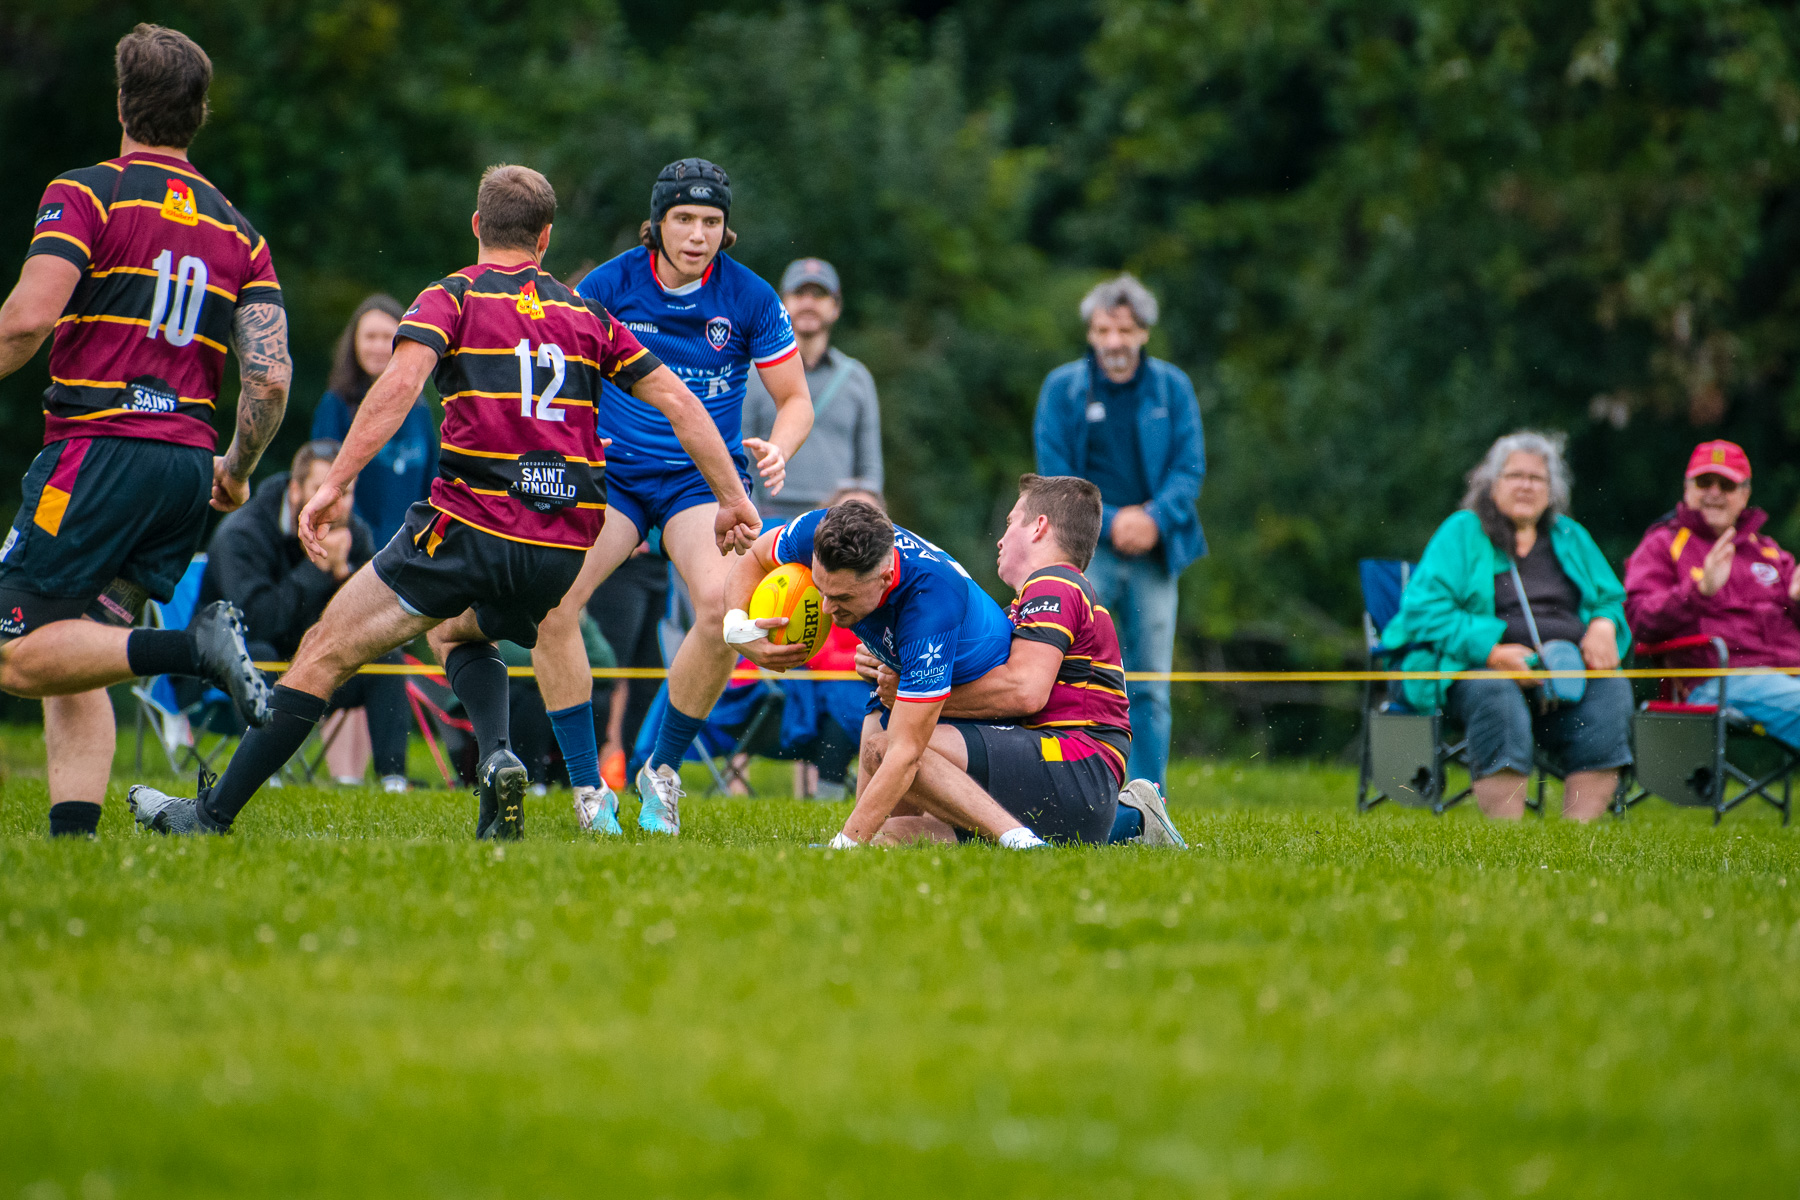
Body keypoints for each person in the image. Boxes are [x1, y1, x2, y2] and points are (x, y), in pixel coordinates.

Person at [126, 163, 751, 839]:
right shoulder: (588, 314)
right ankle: (501, 760)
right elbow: (684, 406)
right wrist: (733, 499)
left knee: (325, 648)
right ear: (545, 238)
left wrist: (333, 483)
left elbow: (397, 389)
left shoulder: (451, 297)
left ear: (478, 225)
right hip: (558, 547)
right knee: (456, 628)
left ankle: (209, 817)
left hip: (468, 527)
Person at [0, 24, 282, 838]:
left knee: (15, 650)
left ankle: (194, 651)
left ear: (124, 103)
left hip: (96, 456)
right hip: (186, 471)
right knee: (77, 652)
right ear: (199, 114)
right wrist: (237, 465)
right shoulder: (239, 232)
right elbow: (269, 374)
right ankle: (75, 840)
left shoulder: (88, 192)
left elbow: (26, 319)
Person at [531, 157, 806, 836]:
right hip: (616, 475)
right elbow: (555, 374)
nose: (698, 234)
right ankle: (588, 786)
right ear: (658, 223)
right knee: (553, 605)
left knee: (723, 608)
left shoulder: (749, 297)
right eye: (684, 219)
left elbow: (795, 398)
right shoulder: (610, 285)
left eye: (711, 221)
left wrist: (779, 446)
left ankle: (663, 772)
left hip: (702, 485)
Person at [857, 475, 1187, 846]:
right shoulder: (1023, 607)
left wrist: (910, 695)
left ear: (1039, 527)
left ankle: (1023, 839)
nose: (1001, 538)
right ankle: (1132, 823)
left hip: (1075, 765)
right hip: (1052, 774)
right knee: (891, 838)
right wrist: (891, 659)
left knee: (890, 746)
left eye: (1011, 522)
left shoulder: (1055, 584)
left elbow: (1025, 691)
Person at [725, 501, 1046, 848]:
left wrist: (844, 846)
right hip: (902, 672)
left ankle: (1019, 839)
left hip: (982, 703)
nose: (826, 608)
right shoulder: (820, 531)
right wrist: (735, 629)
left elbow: (906, 752)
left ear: (886, 578)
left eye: (842, 597)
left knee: (889, 756)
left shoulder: (930, 606)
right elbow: (756, 557)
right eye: (821, 587)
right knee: (884, 836)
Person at [1380, 431, 1633, 821]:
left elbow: (1609, 598)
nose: (1526, 486)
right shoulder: (1463, 531)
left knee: (1613, 690)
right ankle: (1506, 835)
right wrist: (1492, 653)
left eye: (1537, 478)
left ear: (1553, 490)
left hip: (1565, 677)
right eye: (1515, 475)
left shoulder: (1571, 536)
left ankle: (1578, 835)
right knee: (1496, 692)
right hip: (1474, 674)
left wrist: (1602, 626)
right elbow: (1423, 609)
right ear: (1491, 482)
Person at [1033, 273, 1204, 790]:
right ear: (1090, 332)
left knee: (1150, 681)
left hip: (1157, 551)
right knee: (1076, 675)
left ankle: (1151, 796)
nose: (1114, 342)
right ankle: (1078, 785)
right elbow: (1053, 470)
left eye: (1125, 331)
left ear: (1144, 333)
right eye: (1105, 330)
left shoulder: (1173, 388)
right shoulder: (1062, 389)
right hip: (1087, 554)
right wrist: (1111, 522)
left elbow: (1189, 470)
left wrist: (1152, 517)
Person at [200, 439, 412, 791]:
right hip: (232, 663)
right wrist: (318, 570)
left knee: (384, 655)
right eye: (322, 491)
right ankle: (265, 776)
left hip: (313, 663)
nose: (335, 505)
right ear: (296, 490)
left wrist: (344, 575)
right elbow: (258, 621)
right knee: (259, 654)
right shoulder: (242, 534)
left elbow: (381, 618)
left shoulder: (352, 532)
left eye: (344, 492)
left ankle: (394, 781)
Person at [1624, 440, 1800, 748]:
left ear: (1744, 495)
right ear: (1687, 488)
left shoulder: (1770, 551)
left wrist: (1798, 602)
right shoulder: (1662, 545)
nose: (1715, 492)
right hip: (1714, 682)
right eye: (1705, 482)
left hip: (1788, 676)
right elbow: (1638, 621)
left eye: (1727, 484)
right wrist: (1699, 592)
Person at [742, 258, 882, 521]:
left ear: (836, 307)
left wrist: (857, 520)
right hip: (769, 515)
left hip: (836, 519)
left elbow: (869, 472)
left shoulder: (856, 378)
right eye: (799, 293)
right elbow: (740, 454)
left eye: (819, 295)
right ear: (782, 304)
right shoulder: (753, 374)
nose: (808, 303)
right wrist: (751, 515)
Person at [311, 294, 440, 548]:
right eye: (370, 337)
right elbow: (324, 482)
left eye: (387, 338)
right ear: (354, 343)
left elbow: (431, 483)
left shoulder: (418, 409)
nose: (379, 346)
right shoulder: (334, 406)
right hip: (354, 550)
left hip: (408, 549)